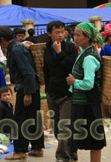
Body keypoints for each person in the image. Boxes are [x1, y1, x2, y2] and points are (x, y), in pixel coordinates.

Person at [0, 26, 44, 160]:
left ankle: (20, 151)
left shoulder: (16, 50)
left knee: (20, 121)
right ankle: (37, 148)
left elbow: (27, 72)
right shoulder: (18, 47)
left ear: (3, 40)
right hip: (32, 88)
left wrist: (27, 93)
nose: (0, 46)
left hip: (27, 89)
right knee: (32, 118)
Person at [66, 22, 106, 162]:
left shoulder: (89, 58)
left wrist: (74, 82)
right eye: (74, 35)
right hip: (85, 102)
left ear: (87, 37)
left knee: (94, 141)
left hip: (88, 104)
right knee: (92, 139)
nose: (75, 38)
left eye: (78, 35)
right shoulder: (84, 52)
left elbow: (88, 83)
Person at [43, 21, 78, 162]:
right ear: (49, 34)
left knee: (65, 126)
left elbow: (73, 67)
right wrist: (47, 89)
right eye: (57, 32)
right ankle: (71, 151)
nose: (60, 35)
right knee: (57, 128)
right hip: (52, 93)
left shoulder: (70, 47)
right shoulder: (46, 48)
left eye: (62, 32)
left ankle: (62, 156)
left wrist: (60, 53)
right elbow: (46, 70)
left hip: (67, 94)